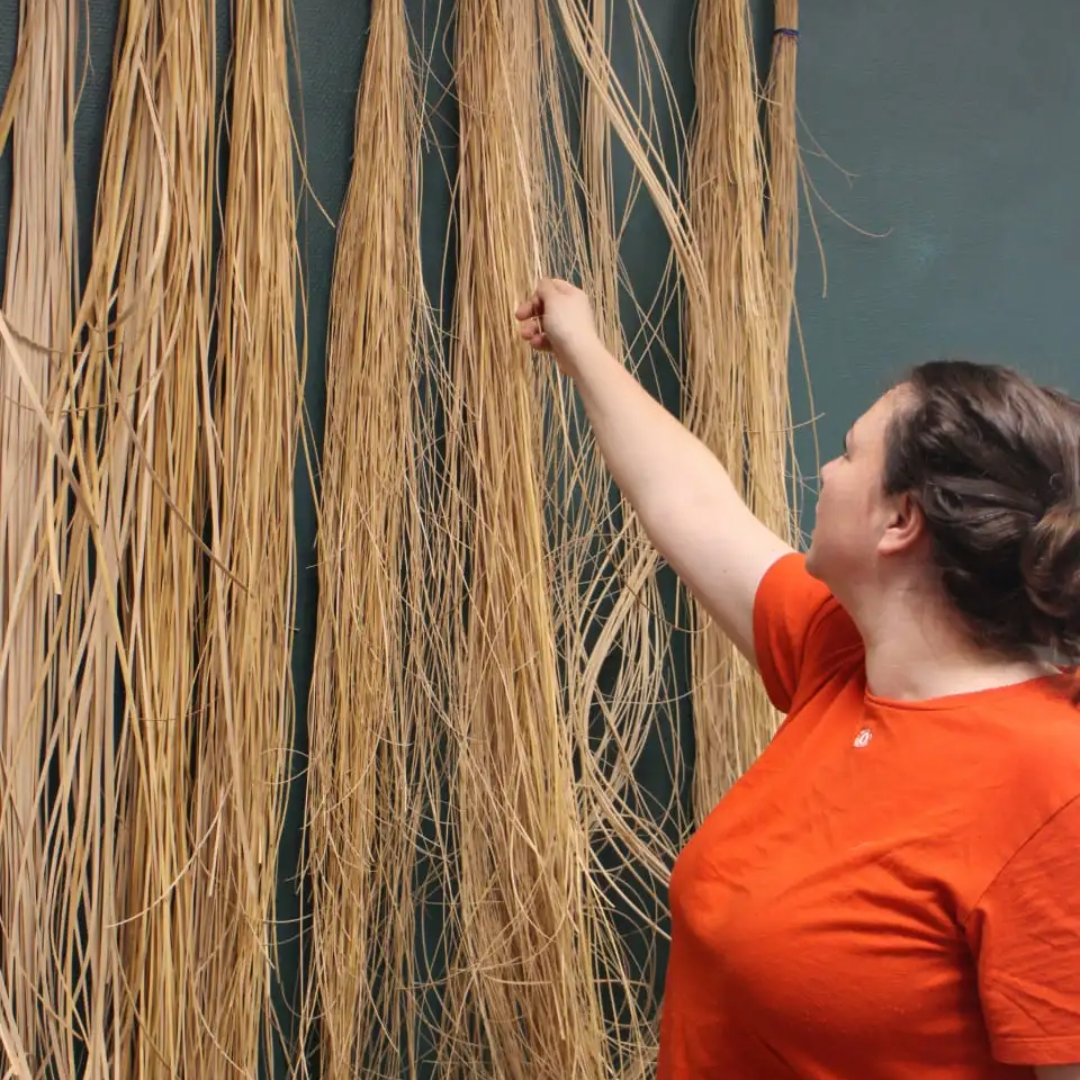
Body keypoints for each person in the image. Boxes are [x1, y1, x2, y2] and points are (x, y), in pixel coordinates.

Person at [515, 278, 1080, 1080]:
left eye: (850, 454)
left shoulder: (1054, 789)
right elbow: (692, 505)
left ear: (899, 522)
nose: (824, 470)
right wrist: (582, 347)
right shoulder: (846, 657)